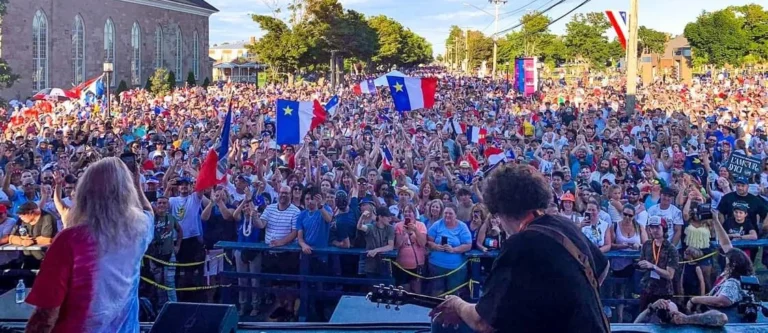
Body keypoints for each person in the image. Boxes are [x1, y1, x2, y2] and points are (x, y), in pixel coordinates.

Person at [430, 164, 610, 333]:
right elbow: (603, 269)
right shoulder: (563, 224)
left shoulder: (520, 244)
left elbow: (482, 322)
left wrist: (457, 305)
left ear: (500, 208)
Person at [24, 157, 154, 332]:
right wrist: (137, 184)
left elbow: (47, 314)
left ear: (84, 194)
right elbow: (148, 212)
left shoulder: (70, 240)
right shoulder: (140, 230)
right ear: (127, 194)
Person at [426, 204, 472, 296]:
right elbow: (427, 241)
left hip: (456, 268)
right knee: (436, 291)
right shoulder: (437, 224)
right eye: (445, 213)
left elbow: (468, 245)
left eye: (450, 213)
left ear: (456, 215)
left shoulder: (462, 227)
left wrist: (453, 249)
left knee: (453, 294)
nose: (447, 215)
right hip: (436, 265)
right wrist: (435, 246)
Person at [637, 216, 679, 311]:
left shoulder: (671, 249)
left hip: (663, 291)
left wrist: (653, 267)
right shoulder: (647, 245)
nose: (655, 230)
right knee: (643, 318)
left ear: (663, 229)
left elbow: (670, 275)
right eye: (652, 227)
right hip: (647, 288)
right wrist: (640, 265)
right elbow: (642, 264)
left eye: (657, 227)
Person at [8, 202, 56, 269]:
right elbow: (11, 238)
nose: (20, 217)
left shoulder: (47, 217)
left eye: (22, 214)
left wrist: (32, 241)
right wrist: (22, 241)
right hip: (26, 258)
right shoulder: (22, 219)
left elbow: (47, 239)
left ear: (31, 212)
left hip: (44, 259)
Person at [357, 206, 395, 278]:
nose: (390, 219)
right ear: (380, 217)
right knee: (371, 286)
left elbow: (390, 246)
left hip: (384, 265)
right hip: (370, 264)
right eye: (387, 217)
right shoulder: (371, 227)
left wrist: (376, 250)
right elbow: (359, 227)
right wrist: (362, 217)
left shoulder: (390, 228)